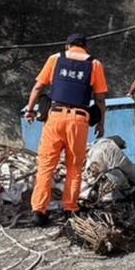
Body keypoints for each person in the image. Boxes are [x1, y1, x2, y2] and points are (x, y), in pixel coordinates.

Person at [24, 33, 108, 226]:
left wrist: (30, 110)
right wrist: (101, 123)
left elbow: (38, 87)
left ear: (67, 45)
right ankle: (70, 208)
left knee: (46, 165)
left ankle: (39, 210)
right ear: (85, 47)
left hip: (55, 117)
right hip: (79, 120)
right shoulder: (95, 65)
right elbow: (100, 99)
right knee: (74, 166)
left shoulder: (55, 59)